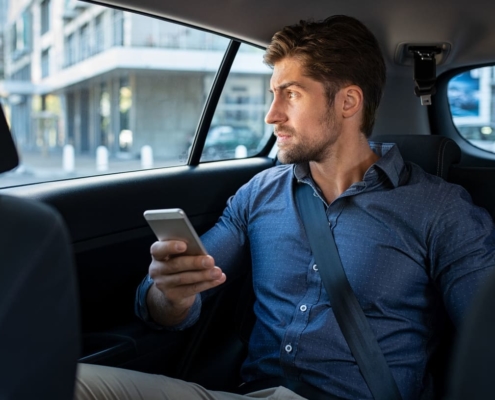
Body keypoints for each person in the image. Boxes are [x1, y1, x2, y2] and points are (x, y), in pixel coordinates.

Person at [75, 15, 495, 400]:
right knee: (69, 380)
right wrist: (170, 294)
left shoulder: (439, 209)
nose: (271, 115)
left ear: (348, 103)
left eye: (290, 95)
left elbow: (486, 339)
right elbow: (171, 306)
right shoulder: (259, 192)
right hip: (248, 395)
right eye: (273, 95)